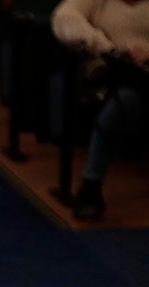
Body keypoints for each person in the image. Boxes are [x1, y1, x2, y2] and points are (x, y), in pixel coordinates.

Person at [52, 0, 149, 221]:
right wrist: (106, 47)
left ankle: (91, 184)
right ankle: (91, 184)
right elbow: (64, 18)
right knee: (126, 98)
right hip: (115, 70)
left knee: (133, 89)